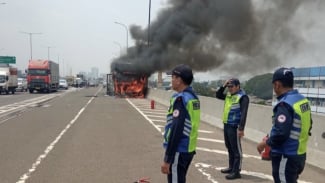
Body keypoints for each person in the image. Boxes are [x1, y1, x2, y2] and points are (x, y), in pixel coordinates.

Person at [257, 67, 312, 183]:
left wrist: (265, 143)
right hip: (300, 154)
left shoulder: (284, 104)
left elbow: (281, 133)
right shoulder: (303, 101)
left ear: (277, 85)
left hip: (286, 156)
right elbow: (308, 125)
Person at [161, 64, 201, 183]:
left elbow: (176, 130)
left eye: (173, 77)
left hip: (179, 149)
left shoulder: (181, 99)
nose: (171, 80)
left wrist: (168, 159)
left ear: (179, 80)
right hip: (188, 148)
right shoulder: (193, 98)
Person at [215, 78, 249, 180]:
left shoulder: (243, 97)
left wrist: (241, 128)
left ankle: (236, 171)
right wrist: (224, 86)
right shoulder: (229, 95)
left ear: (238, 86)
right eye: (229, 87)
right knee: (229, 147)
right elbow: (218, 95)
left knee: (236, 150)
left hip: (235, 126)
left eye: (232, 86)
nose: (230, 89)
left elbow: (244, 114)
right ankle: (231, 167)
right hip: (227, 125)